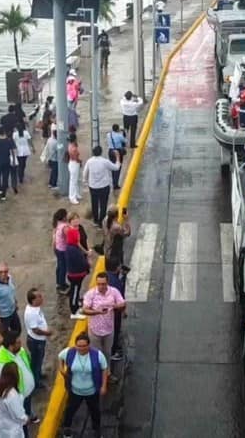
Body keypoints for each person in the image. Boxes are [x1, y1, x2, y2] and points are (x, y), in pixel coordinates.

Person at [58, 332, 109, 438]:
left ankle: (97, 431)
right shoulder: (70, 352)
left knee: (95, 412)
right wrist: (61, 369)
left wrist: (104, 386)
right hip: (75, 390)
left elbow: (104, 369)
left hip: (92, 391)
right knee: (70, 410)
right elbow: (60, 357)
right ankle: (67, 429)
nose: (81, 348)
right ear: (75, 345)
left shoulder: (98, 355)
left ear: (89, 345)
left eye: (84, 346)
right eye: (79, 346)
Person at [0, 330, 37, 431]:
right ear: (11, 346)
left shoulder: (19, 350)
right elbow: (0, 385)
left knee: (26, 413)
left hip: (26, 394)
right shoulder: (0, 362)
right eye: (18, 342)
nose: (21, 344)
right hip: (17, 399)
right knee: (21, 424)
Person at [103, 206, 131, 361]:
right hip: (115, 255)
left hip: (108, 254)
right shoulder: (116, 227)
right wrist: (127, 220)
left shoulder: (105, 222)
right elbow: (127, 232)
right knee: (119, 283)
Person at [82, 272, 126, 364]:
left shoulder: (114, 292)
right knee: (97, 355)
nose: (101, 286)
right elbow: (85, 310)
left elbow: (122, 303)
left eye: (103, 284)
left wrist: (114, 306)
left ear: (107, 283)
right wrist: (97, 312)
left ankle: (107, 373)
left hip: (109, 330)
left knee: (107, 354)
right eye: (99, 284)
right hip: (95, 331)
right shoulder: (91, 294)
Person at [83, 146, 121, 228]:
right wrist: (118, 158)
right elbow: (116, 168)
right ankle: (101, 222)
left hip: (93, 187)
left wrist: (86, 182)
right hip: (104, 187)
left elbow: (85, 173)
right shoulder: (105, 162)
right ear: (101, 152)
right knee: (103, 204)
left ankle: (95, 220)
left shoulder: (89, 161)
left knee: (94, 203)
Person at [24, 288, 52, 389]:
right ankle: (35, 382)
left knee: (39, 360)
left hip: (39, 340)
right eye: (39, 297)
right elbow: (35, 329)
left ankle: (39, 374)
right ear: (33, 300)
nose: (42, 298)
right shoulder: (31, 313)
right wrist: (47, 333)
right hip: (36, 342)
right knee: (36, 362)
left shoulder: (35, 308)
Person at [66, 214, 92, 318]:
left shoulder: (71, 248)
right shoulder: (73, 250)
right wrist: (87, 264)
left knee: (76, 291)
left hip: (75, 274)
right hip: (75, 275)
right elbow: (81, 262)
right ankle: (74, 311)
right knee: (75, 291)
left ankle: (76, 304)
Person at [0, 362, 28, 438]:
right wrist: (27, 419)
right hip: (12, 432)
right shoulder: (12, 395)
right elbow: (19, 416)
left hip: (2, 430)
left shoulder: (0, 389)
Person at [0, 263, 21, 333]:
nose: (3, 274)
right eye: (1, 272)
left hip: (13, 311)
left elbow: (11, 291)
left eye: (5, 272)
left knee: (17, 330)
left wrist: (15, 303)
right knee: (4, 336)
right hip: (4, 316)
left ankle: (14, 343)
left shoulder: (9, 278)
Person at [0, 127, 17, 201]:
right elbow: (12, 152)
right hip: (6, 162)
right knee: (5, 178)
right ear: (4, 132)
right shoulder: (8, 141)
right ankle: (3, 195)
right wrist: (14, 161)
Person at [52, 208, 69, 294]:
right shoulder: (64, 227)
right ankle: (62, 285)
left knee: (59, 266)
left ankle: (59, 282)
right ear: (63, 217)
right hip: (63, 249)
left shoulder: (57, 224)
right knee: (63, 268)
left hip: (58, 248)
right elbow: (68, 237)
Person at [106, 124, 127, 189]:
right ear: (118, 129)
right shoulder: (119, 136)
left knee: (113, 167)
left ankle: (114, 182)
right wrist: (123, 132)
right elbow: (125, 141)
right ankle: (116, 184)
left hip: (110, 151)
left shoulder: (108, 134)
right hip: (117, 152)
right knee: (118, 167)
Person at [66, 133, 82, 205]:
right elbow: (76, 158)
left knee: (76, 180)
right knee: (73, 181)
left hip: (72, 163)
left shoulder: (70, 145)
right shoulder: (74, 148)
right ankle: (72, 197)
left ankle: (77, 194)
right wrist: (80, 161)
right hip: (74, 164)